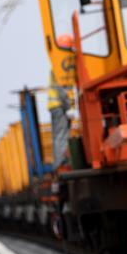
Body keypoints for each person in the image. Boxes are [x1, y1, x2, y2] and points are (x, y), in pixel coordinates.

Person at [48, 34, 75, 170]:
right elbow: (60, 87)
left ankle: (62, 159)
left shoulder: (60, 64)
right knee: (61, 135)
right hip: (60, 106)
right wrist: (68, 106)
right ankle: (60, 162)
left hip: (60, 106)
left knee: (62, 134)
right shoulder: (59, 65)